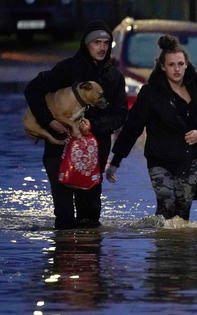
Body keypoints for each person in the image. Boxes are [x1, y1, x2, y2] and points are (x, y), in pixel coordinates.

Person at [24, 20, 127, 229]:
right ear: (86, 44)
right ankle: (62, 257)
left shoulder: (114, 77)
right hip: (59, 147)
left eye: (106, 42)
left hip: (95, 149)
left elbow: (120, 115)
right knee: (64, 216)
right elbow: (33, 90)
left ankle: (87, 259)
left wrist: (92, 125)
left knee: (89, 216)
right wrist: (49, 121)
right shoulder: (67, 69)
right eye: (97, 42)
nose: (102, 47)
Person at [105, 35, 197, 221]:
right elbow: (133, 127)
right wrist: (116, 161)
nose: (177, 69)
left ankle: (181, 248)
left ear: (187, 64)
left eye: (180, 63)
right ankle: (162, 246)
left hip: (188, 159)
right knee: (167, 205)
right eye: (171, 65)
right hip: (159, 160)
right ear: (162, 66)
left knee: (182, 211)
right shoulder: (151, 93)